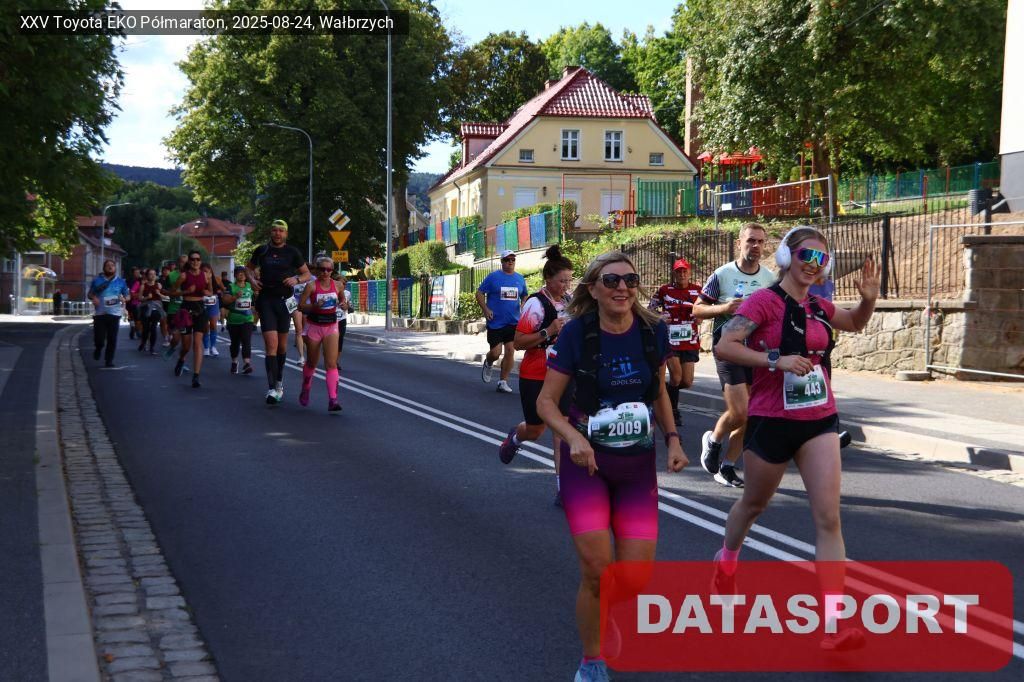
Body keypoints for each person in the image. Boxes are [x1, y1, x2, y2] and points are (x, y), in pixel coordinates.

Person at [711, 226, 878, 651]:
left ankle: (833, 624)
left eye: (821, 259)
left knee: (828, 518)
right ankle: (726, 563)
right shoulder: (763, 301)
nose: (813, 265)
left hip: (819, 419)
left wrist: (868, 299)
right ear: (787, 257)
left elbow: (855, 323)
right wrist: (775, 359)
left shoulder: (819, 306)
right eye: (806, 255)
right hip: (771, 420)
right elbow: (726, 345)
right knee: (753, 505)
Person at [536, 251, 688, 682]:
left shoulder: (652, 331)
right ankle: (592, 660)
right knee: (597, 572)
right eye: (612, 280)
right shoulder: (577, 333)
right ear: (593, 288)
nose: (623, 287)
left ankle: (607, 611)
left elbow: (659, 392)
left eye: (630, 280)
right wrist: (573, 438)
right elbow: (546, 402)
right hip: (585, 465)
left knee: (635, 579)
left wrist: (673, 439)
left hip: (636, 467)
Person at [692, 222, 776, 488]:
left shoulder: (770, 279)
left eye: (760, 241)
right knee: (740, 411)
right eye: (751, 240)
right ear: (739, 243)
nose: (756, 246)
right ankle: (713, 440)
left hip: (756, 352)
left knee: (750, 414)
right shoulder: (722, 274)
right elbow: (697, 309)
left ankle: (727, 466)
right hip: (728, 349)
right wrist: (724, 308)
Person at [497, 245, 573, 506]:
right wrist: (548, 331)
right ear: (548, 279)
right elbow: (518, 342)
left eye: (569, 280)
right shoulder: (535, 304)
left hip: (562, 373)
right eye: (562, 281)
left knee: (562, 429)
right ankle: (516, 437)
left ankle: (564, 489)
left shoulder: (569, 302)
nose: (566, 286)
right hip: (536, 373)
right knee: (535, 430)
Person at [246, 219, 310, 404]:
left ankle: (279, 381)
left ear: (286, 234)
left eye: (281, 231)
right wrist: (252, 280)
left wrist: (296, 280)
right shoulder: (262, 250)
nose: (277, 233)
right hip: (266, 300)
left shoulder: (292, 252)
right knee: (271, 345)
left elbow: (306, 273)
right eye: (274, 230)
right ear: (270, 232)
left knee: (282, 346)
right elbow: (248, 269)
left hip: (284, 301)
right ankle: (272, 388)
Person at [648, 258, 703, 427]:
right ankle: (672, 411)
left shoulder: (697, 290)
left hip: (690, 339)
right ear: (674, 273)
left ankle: (662, 391)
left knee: (687, 381)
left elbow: (704, 311)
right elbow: (650, 310)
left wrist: (700, 317)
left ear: (689, 272)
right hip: (670, 339)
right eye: (679, 272)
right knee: (676, 376)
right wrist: (660, 317)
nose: (682, 274)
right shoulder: (665, 290)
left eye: (685, 271)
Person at [476, 249, 527, 394]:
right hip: (496, 322)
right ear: (502, 262)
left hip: (513, 321)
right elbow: (479, 293)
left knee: (510, 351)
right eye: (507, 260)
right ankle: (489, 361)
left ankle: (503, 382)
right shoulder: (493, 277)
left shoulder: (520, 278)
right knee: (496, 352)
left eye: (512, 259)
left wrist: (523, 304)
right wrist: (486, 309)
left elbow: (524, 295)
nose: (510, 262)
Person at [298, 255, 342, 412]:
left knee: (331, 363)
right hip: (314, 326)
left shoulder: (338, 285)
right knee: (312, 363)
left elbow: (343, 302)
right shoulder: (311, 286)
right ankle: (306, 387)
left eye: (329, 270)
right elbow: (300, 306)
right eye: (322, 269)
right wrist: (314, 306)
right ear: (317, 270)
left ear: (332, 271)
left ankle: (333, 400)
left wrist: (344, 304)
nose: (325, 272)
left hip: (331, 326)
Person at [173, 250, 209, 388]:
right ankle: (181, 359)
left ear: (201, 261)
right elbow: (171, 292)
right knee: (186, 346)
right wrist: (186, 292)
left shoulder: (205, 275)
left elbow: (211, 291)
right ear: (189, 261)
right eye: (192, 259)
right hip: (186, 310)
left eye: (198, 259)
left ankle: (196, 376)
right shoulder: (183, 276)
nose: (195, 262)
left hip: (200, 309)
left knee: (197, 343)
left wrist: (207, 292)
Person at [87, 259, 131, 367]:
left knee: (112, 338)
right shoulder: (97, 280)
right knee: (99, 339)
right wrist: (94, 298)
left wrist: (124, 298)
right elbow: (90, 294)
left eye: (112, 265)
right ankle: (98, 348)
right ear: (104, 268)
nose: (110, 267)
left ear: (115, 268)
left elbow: (128, 296)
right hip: (100, 314)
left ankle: (109, 360)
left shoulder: (121, 281)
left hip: (114, 314)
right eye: (108, 265)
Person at [221, 266, 255, 375]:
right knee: (235, 343)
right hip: (234, 320)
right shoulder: (231, 287)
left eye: (244, 273)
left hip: (247, 319)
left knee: (246, 340)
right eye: (239, 273)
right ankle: (234, 362)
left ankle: (247, 363)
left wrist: (254, 308)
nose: (242, 275)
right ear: (235, 275)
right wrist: (235, 296)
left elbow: (254, 300)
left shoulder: (250, 286)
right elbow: (225, 301)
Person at [137, 268, 165, 354]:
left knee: (153, 328)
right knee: (146, 329)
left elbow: (164, 297)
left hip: (156, 309)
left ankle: (152, 347)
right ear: (147, 276)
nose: (152, 276)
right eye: (150, 274)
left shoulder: (159, 285)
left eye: (154, 274)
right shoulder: (143, 286)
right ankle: (143, 342)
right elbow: (139, 298)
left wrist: (159, 294)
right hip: (146, 308)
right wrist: (146, 298)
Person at [200, 263, 223, 357]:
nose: (205, 273)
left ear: (211, 271)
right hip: (203, 303)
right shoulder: (199, 279)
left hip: (214, 302)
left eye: (207, 271)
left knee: (213, 324)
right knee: (205, 326)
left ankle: (213, 346)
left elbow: (223, 289)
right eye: (203, 271)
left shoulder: (217, 279)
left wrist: (221, 291)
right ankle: (206, 347)